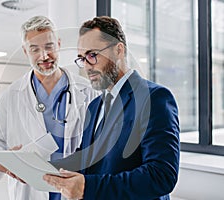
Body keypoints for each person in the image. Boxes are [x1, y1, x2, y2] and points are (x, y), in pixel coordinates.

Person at [43, 16, 180, 200]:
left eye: (92, 55)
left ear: (118, 49)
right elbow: (85, 158)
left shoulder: (154, 98)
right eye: (82, 59)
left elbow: (161, 176)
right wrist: (40, 169)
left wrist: (88, 187)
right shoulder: (94, 105)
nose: (87, 67)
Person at [0, 16, 97, 200]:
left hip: (74, 187)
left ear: (58, 44)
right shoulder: (11, 95)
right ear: (25, 51)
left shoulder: (88, 91)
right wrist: (4, 163)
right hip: (30, 190)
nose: (44, 56)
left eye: (49, 46)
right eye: (34, 49)